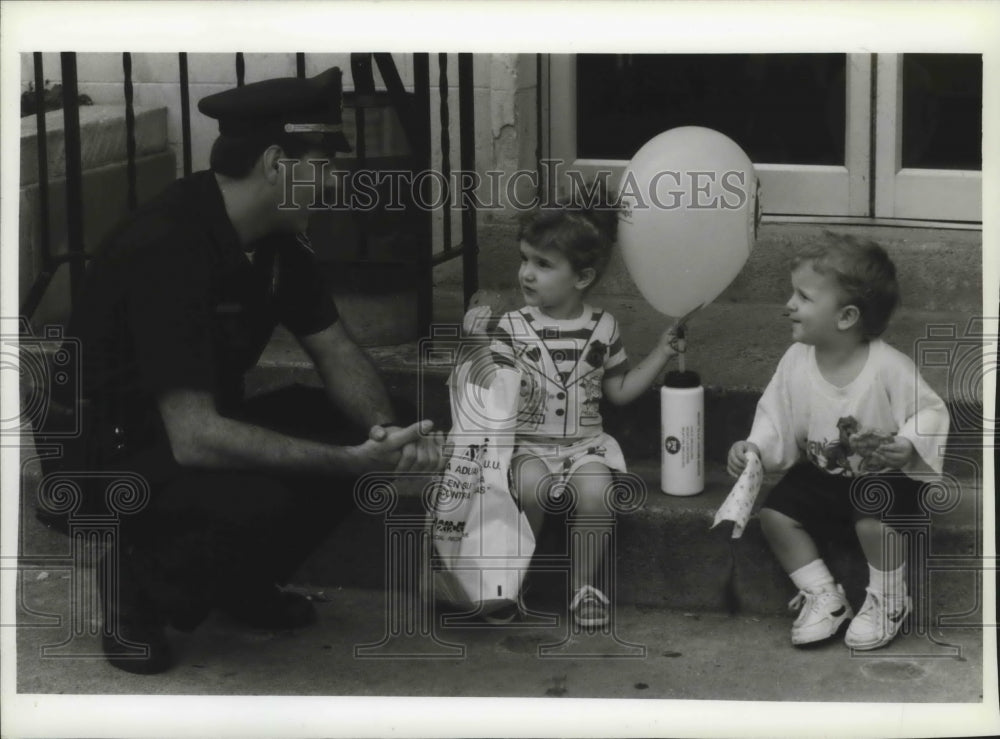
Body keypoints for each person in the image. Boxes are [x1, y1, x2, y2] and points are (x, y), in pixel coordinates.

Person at [41, 67, 444, 674]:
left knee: (348, 425)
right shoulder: (169, 246)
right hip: (112, 454)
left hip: (186, 431)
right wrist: (346, 462)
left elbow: (335, 350)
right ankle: (135, 590)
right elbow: (196, 436)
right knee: (273, 482)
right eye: (326, 164)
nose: (337, 181)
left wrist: (384, 436)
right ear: (279, 163)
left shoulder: (278, 236)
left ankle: (238, 582)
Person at [465, 205, 683, 628]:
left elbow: (618, 391)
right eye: (524, 259)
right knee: (531, 488)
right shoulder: (512, 325)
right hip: (529, 446)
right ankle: (508, 582)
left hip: (585, 447)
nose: (526, 273)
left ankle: (583, 586)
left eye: (543, 264)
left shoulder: (604, 327)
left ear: (582, 278)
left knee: (599, 492)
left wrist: (661, 352)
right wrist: (476, 345)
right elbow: (490, 390)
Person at [727, 237, 949, 650]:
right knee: (776, 514)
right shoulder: (796, 360)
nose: (788, 304)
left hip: (884, 479)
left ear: (846, 316)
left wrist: (909, 444)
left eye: (803, 297)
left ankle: (889, 598)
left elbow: (931, 412)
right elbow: (777, 414)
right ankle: (824, 595)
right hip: (825, 475)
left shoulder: (888, 367)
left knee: (873, 514)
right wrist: (755, 447)